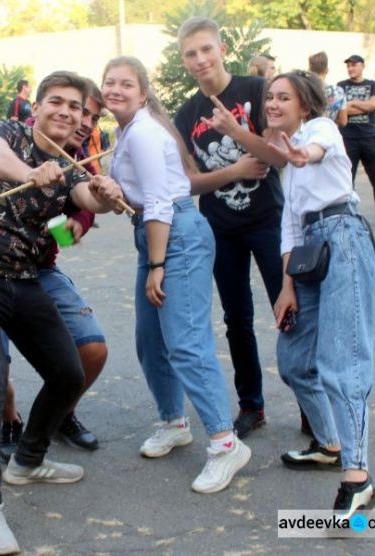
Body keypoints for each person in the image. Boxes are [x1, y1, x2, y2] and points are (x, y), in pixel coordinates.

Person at [0, 71, 123, 555]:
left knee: (66, 373)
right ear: (35, 107)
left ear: (84, 117)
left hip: (24, 278)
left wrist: (100, 198)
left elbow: (80, 200)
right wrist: (29, 173)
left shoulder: (75, 165)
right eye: (54, 102)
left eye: (75, 107)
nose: (65, 111)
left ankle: (29, 460)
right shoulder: (6, 132)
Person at [102, 55, 251, 495]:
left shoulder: (145, 132)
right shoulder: (125, 131)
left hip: (174, 238)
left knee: (186, 342)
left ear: (142, 93)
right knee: (151, 340)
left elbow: (162, 201)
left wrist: (157, 264)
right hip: (155, 235)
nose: (115, 89)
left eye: (126, 84)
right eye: (109, 82)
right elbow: (147, 195)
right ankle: (174, 421)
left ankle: (226, 444)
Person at [266, 70, 375, 519]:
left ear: (304, 104)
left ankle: (358, 476)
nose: (272, 104)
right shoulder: (287, 160)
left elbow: (319, 151)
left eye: (283, 97)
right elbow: (289, 228)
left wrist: (301, 155)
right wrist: (286, 286)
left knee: (341, 360)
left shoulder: (319, 129)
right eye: (269, 97)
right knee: (295, 361)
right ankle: (330, 442)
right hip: (309, 252)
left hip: (345, 238)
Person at [173, 17, 286, 439]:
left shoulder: (256, 91)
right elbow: (188, 181)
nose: (200, 60)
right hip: (220, 227)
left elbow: (276, 157)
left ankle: (313, 407)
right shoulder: (187, 114)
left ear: (221, 49)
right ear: (184, 60)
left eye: (206, 49)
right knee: (236, 318)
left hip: (269, 220)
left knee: (289, 311)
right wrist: (235, 169)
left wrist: (238, 132)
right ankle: (251, 405)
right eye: (190, 54)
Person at [337, 54, 375, 228]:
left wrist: (351, 103)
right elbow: (340, 111)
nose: (351, 68)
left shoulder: (372, 84)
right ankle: (347, 215)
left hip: (370, 138)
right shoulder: (341, 86)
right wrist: (364, 105)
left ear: (362, 66)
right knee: (346, 180)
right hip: (348, 139)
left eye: (354, 65)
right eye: (349, 66)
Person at [308, 52, 347, 126]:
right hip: (330, 134)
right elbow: (343, 121)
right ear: (327, 70)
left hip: (309, 134)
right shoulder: (338, 92)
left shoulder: (304, 90)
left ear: (309, 70)